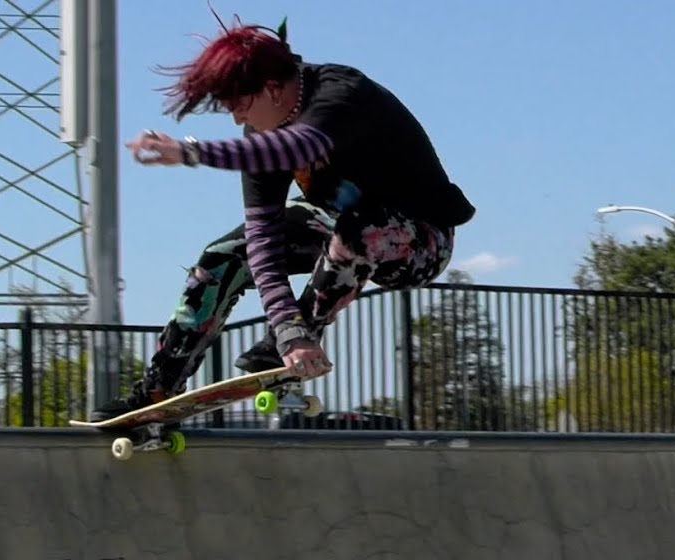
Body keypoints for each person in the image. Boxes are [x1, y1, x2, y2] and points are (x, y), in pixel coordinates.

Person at [89, 16, 475, 421]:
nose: (239, 121)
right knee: (223, 257)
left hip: (421, 239)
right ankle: (156, 390)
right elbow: (263, 242)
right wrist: (286, 325)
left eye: (240, 106)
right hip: (334, 225)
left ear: (273, 89)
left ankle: (292, 337)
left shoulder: (341, 93)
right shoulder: (259, 141)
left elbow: (293, 148)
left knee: (359, 229)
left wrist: (192, 152)